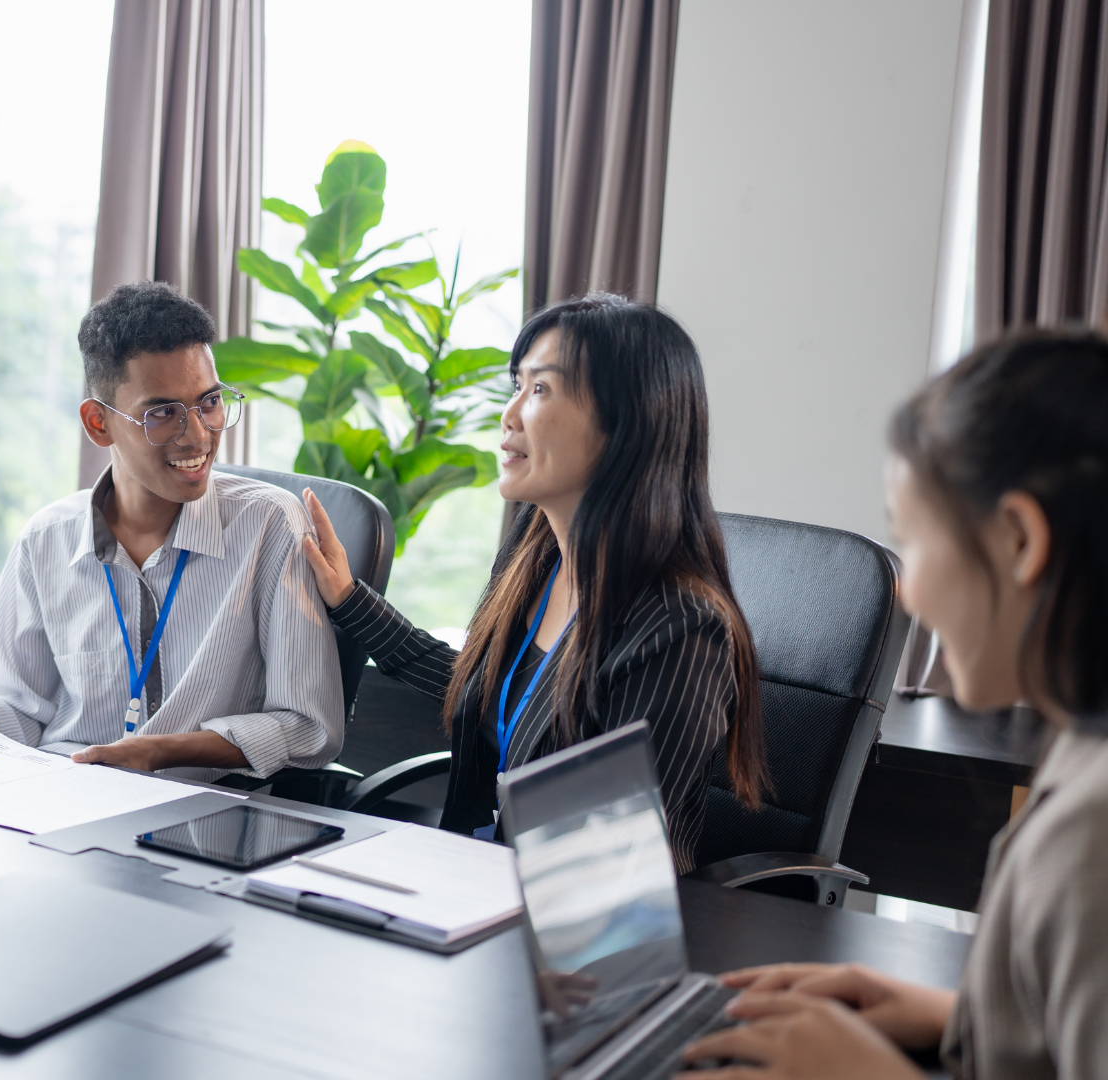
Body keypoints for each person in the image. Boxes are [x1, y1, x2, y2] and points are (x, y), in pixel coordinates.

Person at [681, 330, 1108, 1079]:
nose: (906, 592)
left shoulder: (1093, 831)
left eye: (913, 541)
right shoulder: (1084, 739)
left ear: (1017, 540)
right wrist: (959, 1020)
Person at [298, 293, 765, 872]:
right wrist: (349, 599)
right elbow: (486, 685)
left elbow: (618, 867)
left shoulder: (678, 630)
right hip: (477, 884)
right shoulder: (535, 554)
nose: (510, 414)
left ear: (626, 423)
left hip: (568, 928)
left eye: (539, 389)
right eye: (515, 386)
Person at [0, 281, 343, 779]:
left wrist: (164, 751)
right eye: (162, 413)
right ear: (98, 423)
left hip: (209, 818)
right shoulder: (45, 541)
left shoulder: (269, 525)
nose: (198, 434)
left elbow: (308, 727)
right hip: (63, 797)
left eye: (209, 402)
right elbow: (21, 714)